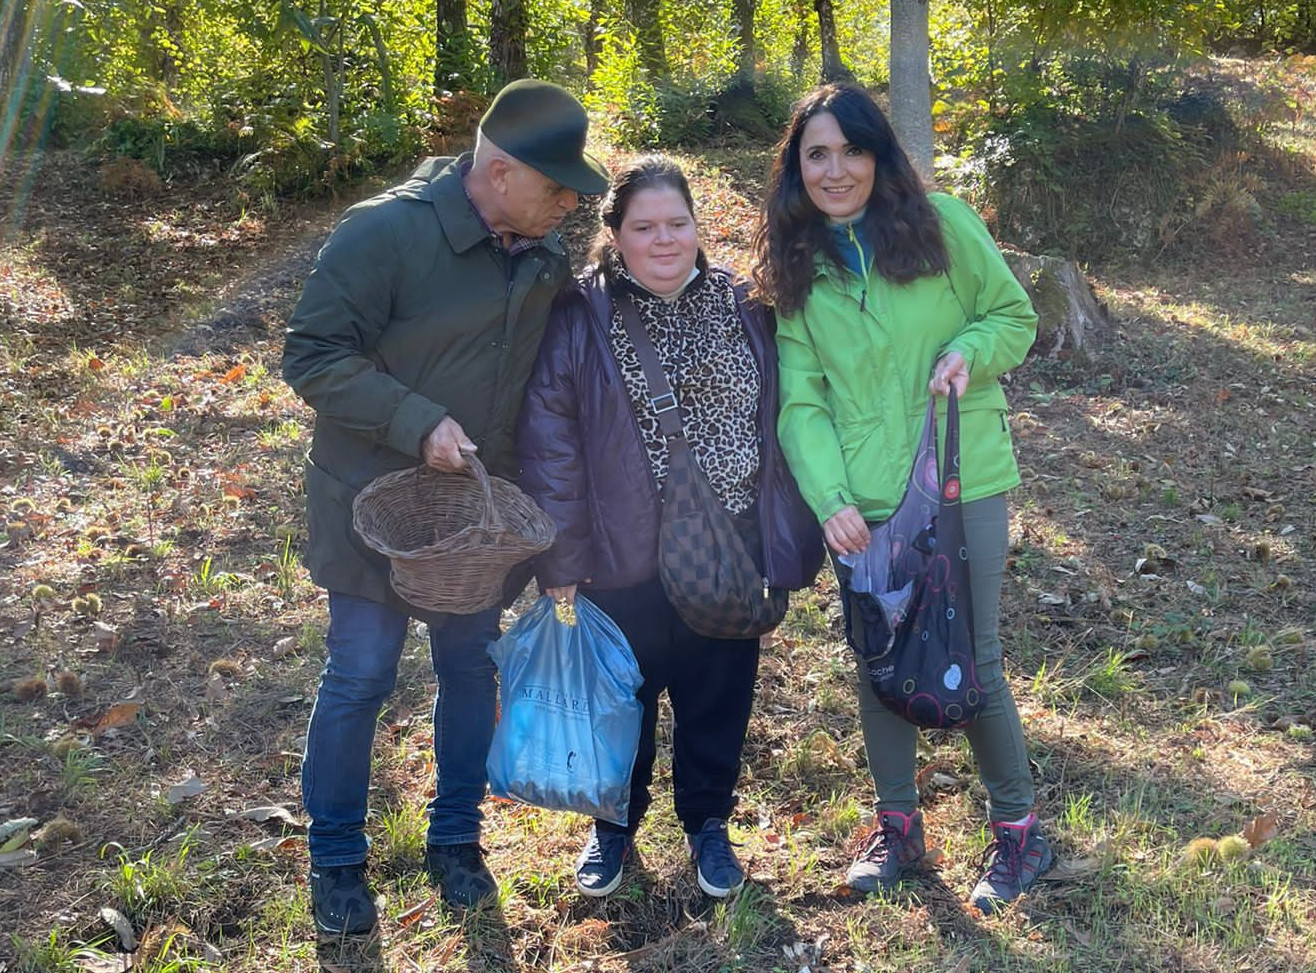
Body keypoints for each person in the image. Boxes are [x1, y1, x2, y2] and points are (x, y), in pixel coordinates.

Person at [281, 79, 609, 936]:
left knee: (473, 669)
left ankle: (457, 838)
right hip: (372, 513)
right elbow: (312, 354)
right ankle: (337, 857)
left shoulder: (543, 255)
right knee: (360, 674)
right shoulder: (384, 234)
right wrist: (415, 419)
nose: (570, 201)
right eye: (556, 185)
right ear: (497, 171)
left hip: (476, 524)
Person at [750, 83, 1053, 913]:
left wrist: (968, 349)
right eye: (817, 153)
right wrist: (829, 497)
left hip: (963, 481)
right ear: (796, 166)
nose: (835, 168)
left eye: (852, 149)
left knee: (975, 653)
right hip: (864, 498)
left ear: (879, 155)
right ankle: (898, 828)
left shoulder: (943, 222)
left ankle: (1020, 832)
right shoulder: (796, 263)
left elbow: (1012, 316)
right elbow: (801, 400)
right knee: (877, 656)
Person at [516, 155, 822, 901]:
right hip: (623, 557)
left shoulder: (746, 303)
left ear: (697, 226)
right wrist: (561, 553)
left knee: (718, 693)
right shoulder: (581, 317)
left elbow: (787, 415)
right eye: (644, 226)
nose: (663, 240)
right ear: (614, 233)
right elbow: (551, 444)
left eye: (677, 224)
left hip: (729, 546)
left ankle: (708, 824)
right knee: (625, 698)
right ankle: (614, 826)